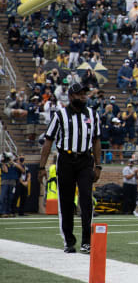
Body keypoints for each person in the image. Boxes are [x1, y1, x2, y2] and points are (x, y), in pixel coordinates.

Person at [38, 83, 102, 253]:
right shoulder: (60, 115)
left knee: (86, 200)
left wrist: (99, 165)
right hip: (65, 159)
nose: (84, 97)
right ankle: (69, 241)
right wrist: (41, 167)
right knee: (66, 202)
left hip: (85, 160)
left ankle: (86, 241)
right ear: (72, 96)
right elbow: (48, 140)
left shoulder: (93, 115)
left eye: (85, 94)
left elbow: (96, 141)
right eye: (80, 94)